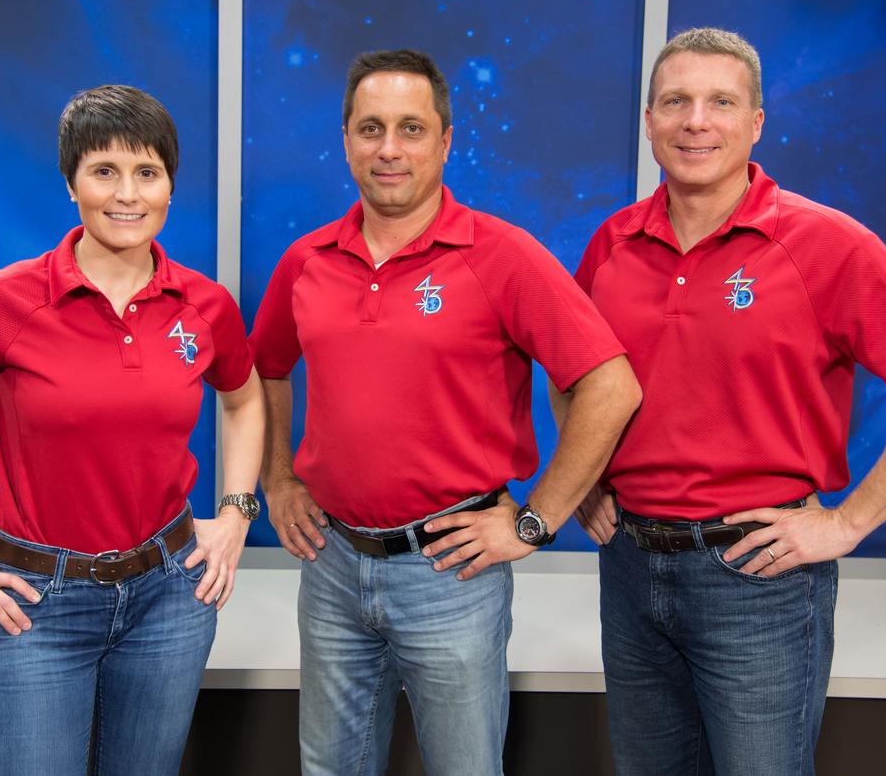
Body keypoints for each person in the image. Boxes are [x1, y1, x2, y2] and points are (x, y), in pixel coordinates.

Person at [564, 27, 886, 775]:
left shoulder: (825, 243)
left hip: (755, 578)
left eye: (720, 102)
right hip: (629, 566)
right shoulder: (612, 243)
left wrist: (849, 520)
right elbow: (575, 373)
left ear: (755, 123)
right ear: (649, 121)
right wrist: (583, 479)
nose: (696, 121)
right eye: (676, 101)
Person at [0, 85, 265, 776]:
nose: (127, 194)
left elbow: (245, 402)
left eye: (147, 172)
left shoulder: (204, 305)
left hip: (169, 596)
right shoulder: (5, 299)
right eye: (104, 171)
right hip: (36, 605)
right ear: (70, 183)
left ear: (169, 185)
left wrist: (235, 511)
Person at [248, 48, 641, 776]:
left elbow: (611, 385)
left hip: (450, 571)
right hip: (332, 565)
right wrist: (277, 478)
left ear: (445, 141)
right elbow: (263, 368)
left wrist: (537, 518)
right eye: (370, 128)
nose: (388, 149)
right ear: (345, 139)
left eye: (410, 128)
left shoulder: (501, 255)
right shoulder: (305, 260)